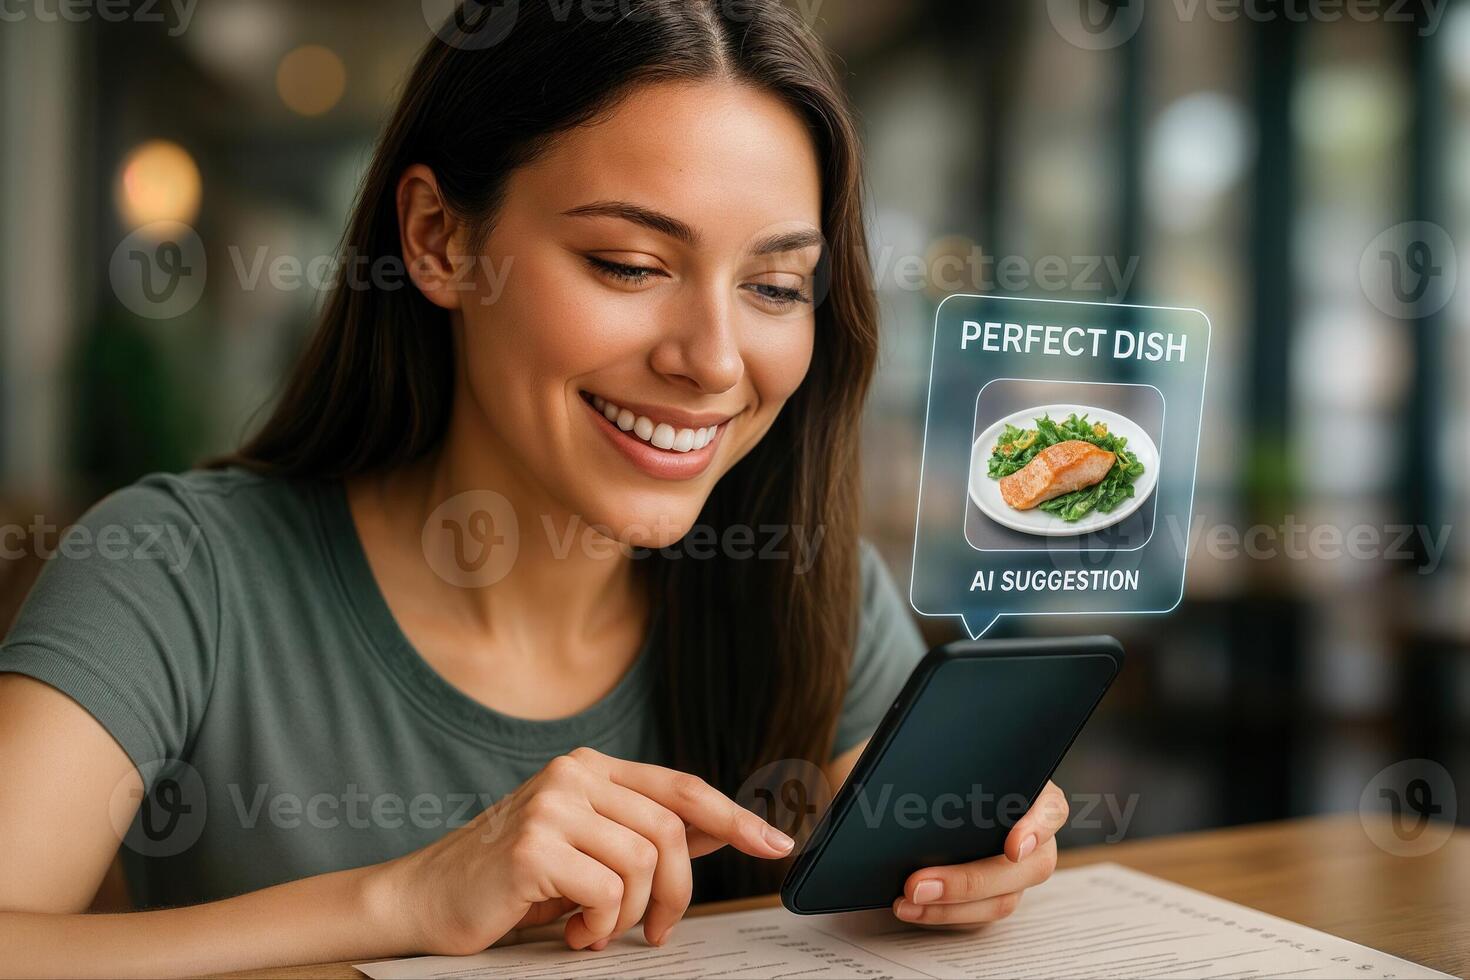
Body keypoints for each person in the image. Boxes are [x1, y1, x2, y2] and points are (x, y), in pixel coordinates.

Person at [0, 1, 1066, 974]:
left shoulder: (804, 584)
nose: (714, 360)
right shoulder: (177, 572)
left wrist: (964, 862)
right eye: (631, 264)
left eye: (775, 286)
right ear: (438, 238)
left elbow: (914, 869)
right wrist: (403, 896)